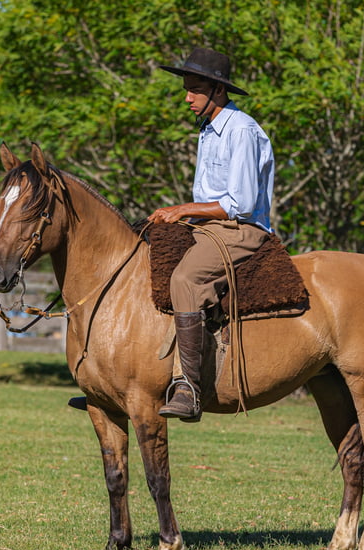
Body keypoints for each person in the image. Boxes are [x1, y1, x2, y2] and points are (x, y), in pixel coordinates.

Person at [150, 47, 275, 422]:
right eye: (186, 88)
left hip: (242, 230)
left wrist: (182, 210)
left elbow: (240, 202)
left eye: (195, 89)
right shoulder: (208, 129)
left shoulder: (242, 130)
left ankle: (188, 386)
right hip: (210, 228)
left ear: (218, 91)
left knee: (187, 279)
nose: (187, 97)